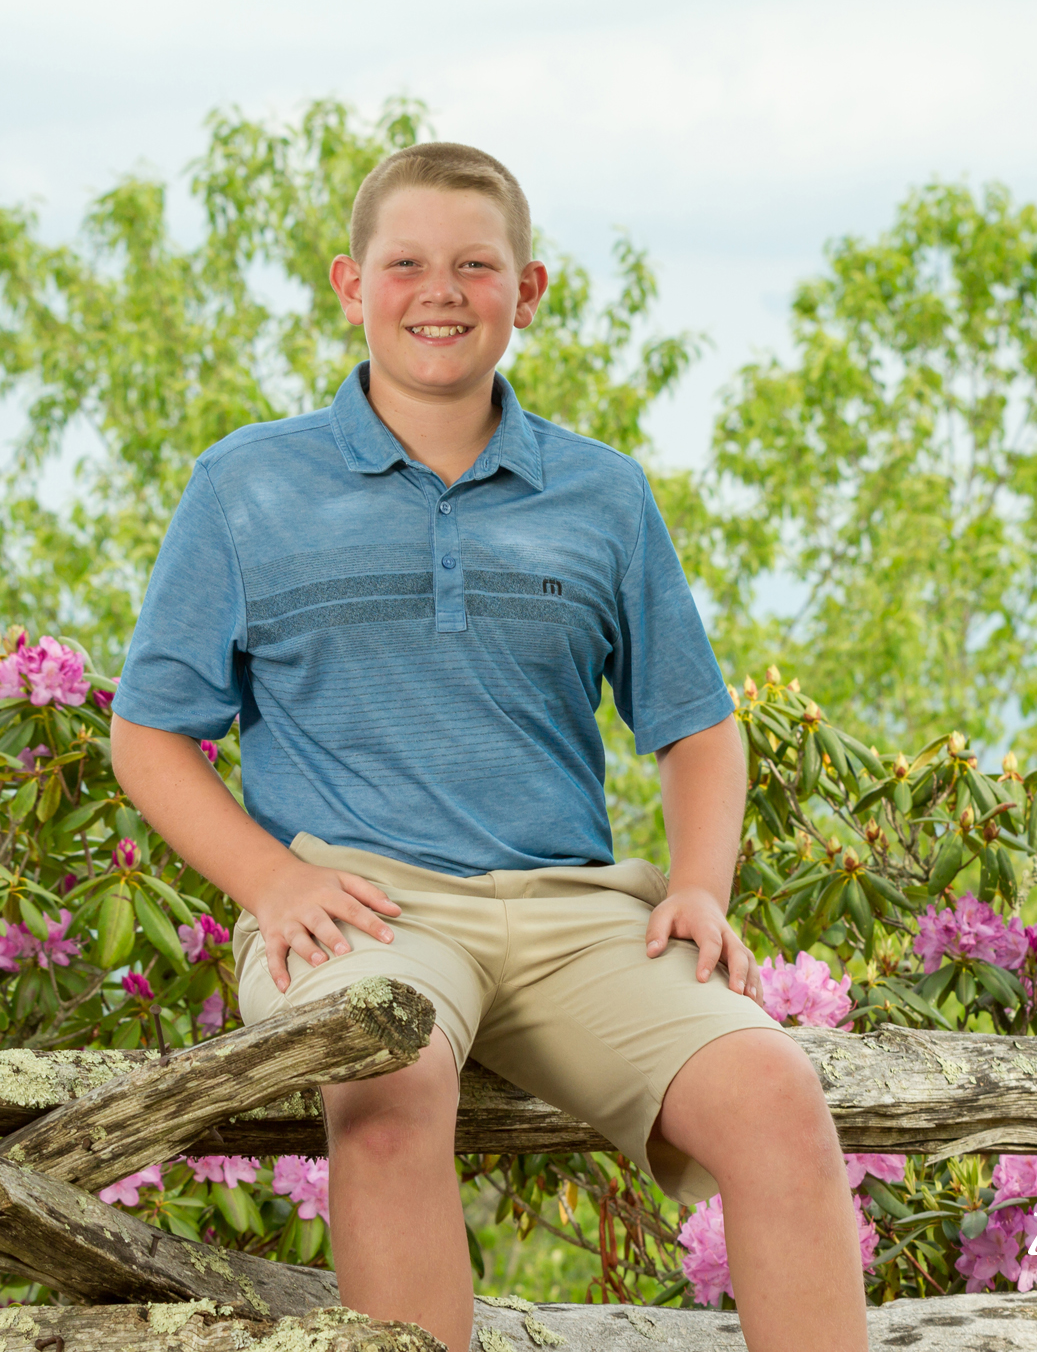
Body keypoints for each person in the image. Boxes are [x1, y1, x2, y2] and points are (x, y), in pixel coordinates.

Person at [109, 141, 867, 1352]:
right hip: (361, 913)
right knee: (388, 1085)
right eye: (405, 263)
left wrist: (699, 888)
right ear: (351, 288)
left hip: (578, 917)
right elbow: (148, 734)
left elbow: (697, 727)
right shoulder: (246, 487)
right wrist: (272, 882)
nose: (441, 291)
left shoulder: (603, 496)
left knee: (776, 1096)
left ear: (530, 291)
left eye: (476, 264)